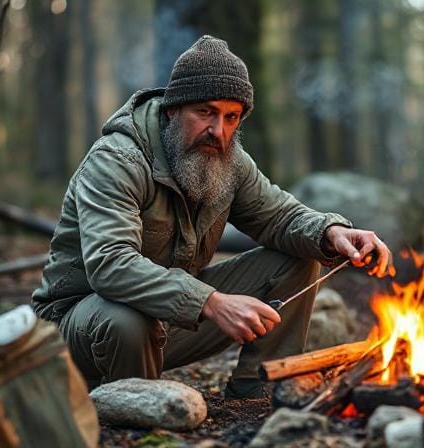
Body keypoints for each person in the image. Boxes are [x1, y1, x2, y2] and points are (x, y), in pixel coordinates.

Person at [31, 35, 392, 399]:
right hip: (76, 329)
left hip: (162, 320)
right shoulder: (117, 161)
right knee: (127, 319)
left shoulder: (229, 161)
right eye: (205, 112)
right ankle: (132, 409)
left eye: (231, 117)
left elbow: (279, 218)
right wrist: (211, 302)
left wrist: (331, 232)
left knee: (297, 256)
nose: (218, 131)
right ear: (173, 109)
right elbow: (110, 265)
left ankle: (260, 392)